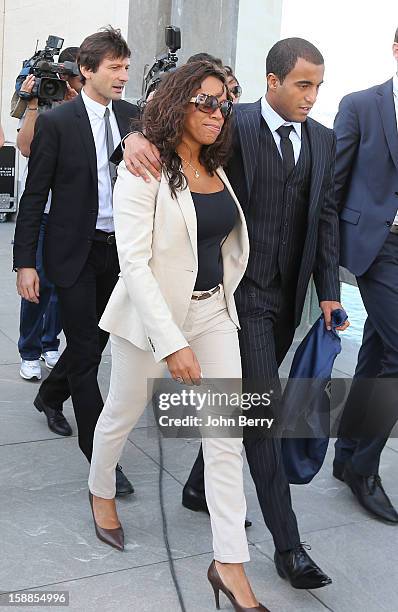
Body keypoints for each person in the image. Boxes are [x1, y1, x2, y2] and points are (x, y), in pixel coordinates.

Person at [121, 37, 350, 590]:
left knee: (235, 410)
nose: (312, 97)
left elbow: (323, 218)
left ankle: (199, 487)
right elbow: (168, 128)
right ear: (272, 82)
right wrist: (130, 139)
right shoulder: (232, 122)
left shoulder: (322, 138)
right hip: (238, 298)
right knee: (260, 415)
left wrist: (329, 290)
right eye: (302, 85)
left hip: (287, 300)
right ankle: (287, 548)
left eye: (318, 86)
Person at [88, 60, 269, 612]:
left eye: (224, 102)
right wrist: (171, 342)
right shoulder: (144, 167)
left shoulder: (218, 163)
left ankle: (229, 566)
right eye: (205, 101)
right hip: (149, 321)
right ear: (178, 104)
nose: (217, 113)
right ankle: (99, 492)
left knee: (224, 440)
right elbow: (134, 265)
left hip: (213, 314)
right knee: (120, 412)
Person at [13, 27, 138, 496]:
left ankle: (49, 394)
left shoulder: (133, 117)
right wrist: (26, 261)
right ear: (87, 71)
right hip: (73, 254)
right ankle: (101, 457)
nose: (123, 76)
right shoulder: (58, 122)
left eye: (126, 67)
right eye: (114, 68)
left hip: (120, 253)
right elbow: (34, 196)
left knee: (95, 344)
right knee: (87, 354)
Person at [333, 27, 398, 523]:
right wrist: (325, 257)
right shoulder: (362, 105)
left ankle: (347, 452)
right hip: (378, 247)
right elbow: (334, 183)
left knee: (378, 349)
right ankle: (365, 467)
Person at [16, 47, 80, 387]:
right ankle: (28, 351)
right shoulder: (40, 102)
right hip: (42, 212)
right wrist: (34, 103)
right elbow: (25, 147)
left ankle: (49, 343)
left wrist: (73, 101)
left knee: (60, 286)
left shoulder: (81, 107)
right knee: (37, 285)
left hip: (68, 213)